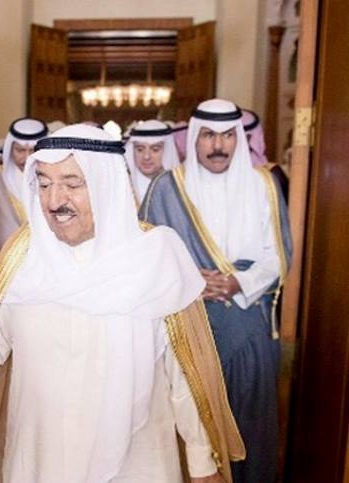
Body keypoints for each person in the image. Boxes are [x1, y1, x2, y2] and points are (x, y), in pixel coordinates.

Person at [0, 124, 245, 483]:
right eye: (44, 184)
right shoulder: (25, 254)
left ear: (106, 186)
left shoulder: (154, 256)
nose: (54, 201)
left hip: (138, 460)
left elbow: (184, 374)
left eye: (72, 184)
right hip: (40, 456)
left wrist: (202, 462)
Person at [140, 99, 292, 483]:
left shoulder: (263, 186)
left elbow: (279, 255)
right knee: (190, 419)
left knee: (249, 418)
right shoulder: (167, 188)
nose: (218, 145)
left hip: (248, 321)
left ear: (239, 139)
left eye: (227, 135)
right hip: (186, 323)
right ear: (194, 138)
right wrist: (190, 279)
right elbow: (147, 257)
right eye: (208, 135)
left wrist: (240, 282)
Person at [0, 117, 48, 253]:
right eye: (20, 150)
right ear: (10, 149)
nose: (27, 158)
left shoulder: (55, 180)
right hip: (5, 257)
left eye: (33, 151)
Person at [124, 119, 180, 204]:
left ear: (167, 151)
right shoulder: (124, 188)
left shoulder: (180, 187)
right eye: (140, 149)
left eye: (155, 150)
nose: (146, 156)